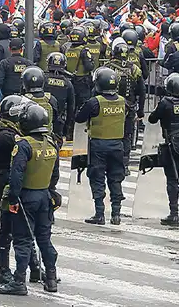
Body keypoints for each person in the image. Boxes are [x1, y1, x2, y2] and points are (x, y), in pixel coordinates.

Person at [0, 102, 60, 296]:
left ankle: (18, 281)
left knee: (23, 240)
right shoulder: (52, 143)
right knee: (44, 239)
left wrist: (13, 198)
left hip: (26, 197)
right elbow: (55, 175)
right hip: (44, 196)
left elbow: (16, 175)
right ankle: (50, 278)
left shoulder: (23, 145)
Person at [75, 66, 127, 225]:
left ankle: (99, 214)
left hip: (98, 145)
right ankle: (116, 214)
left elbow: (79, 118)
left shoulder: (94, 102)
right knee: (116, 177)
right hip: (117, 145)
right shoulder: (123, 101)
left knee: (97, 177)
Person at [103, 40, 145, 166]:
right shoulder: (135, 69)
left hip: (109, 105)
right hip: (129, 107)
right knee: (127, 135)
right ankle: (124, 163)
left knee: (108, 134)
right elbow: (142, 91)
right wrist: (141, 110)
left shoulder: (107, 67)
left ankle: (109, 162)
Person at [148, 73, 179, 226]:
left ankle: (174, 213)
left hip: (172, 144)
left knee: (173, 178)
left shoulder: (166, 103)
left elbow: (152, 118)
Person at [21, 66, 63, 142]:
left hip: (27, 141)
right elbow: (57, 123)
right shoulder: (51, 99)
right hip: (48, 140)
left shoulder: (22, 100)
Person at [63, 27, 95, 117]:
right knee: (83, 104)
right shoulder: (84, 50)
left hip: (69, 78)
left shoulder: (67, 49)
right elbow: (89, 67)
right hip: (82, 81)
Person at [43, 52, 75, 139]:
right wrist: (67, 127)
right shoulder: (68, 83)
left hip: (40, 120)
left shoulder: (43, 79)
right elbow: (71, 108)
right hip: (58, 123)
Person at [0, 38, 32, 104]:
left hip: (8, 99)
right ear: (21, 49)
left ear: (9, 49)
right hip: (24, 99)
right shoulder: (28, 64)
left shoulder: (4, 63)